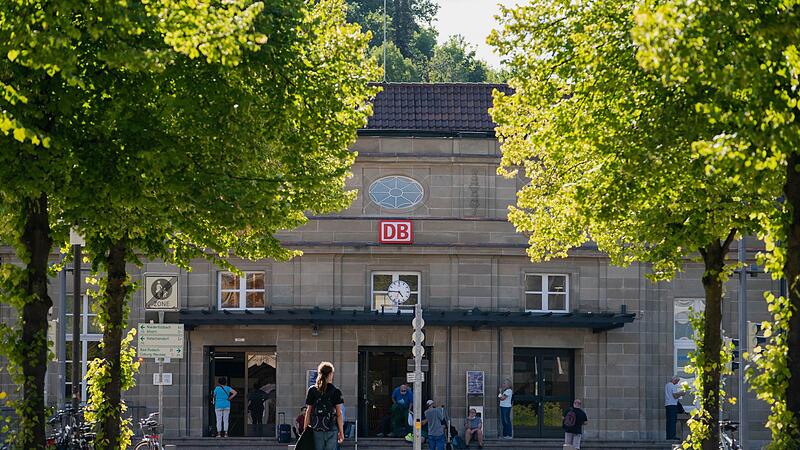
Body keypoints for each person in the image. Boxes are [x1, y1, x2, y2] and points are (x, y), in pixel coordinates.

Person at [304, 362, 344, 450]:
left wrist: (305, 429)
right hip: (331, 427)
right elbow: (339, 414)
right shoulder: (336, 391)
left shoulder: (312, 390)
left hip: (317, 428)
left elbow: (308, 411)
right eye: (332, 373)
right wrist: (341, 431)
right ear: (330, 374)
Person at [665, 375, 686, 440]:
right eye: (677, 381)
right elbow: (675, 396)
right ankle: (672, 436)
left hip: (668, 405)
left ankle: (669, 436)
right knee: (673, 421)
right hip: (672, 405)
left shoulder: (667, 385)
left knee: (669, 421)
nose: (677, 383)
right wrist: (681, 393)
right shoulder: (672, 386)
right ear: (674, 380)